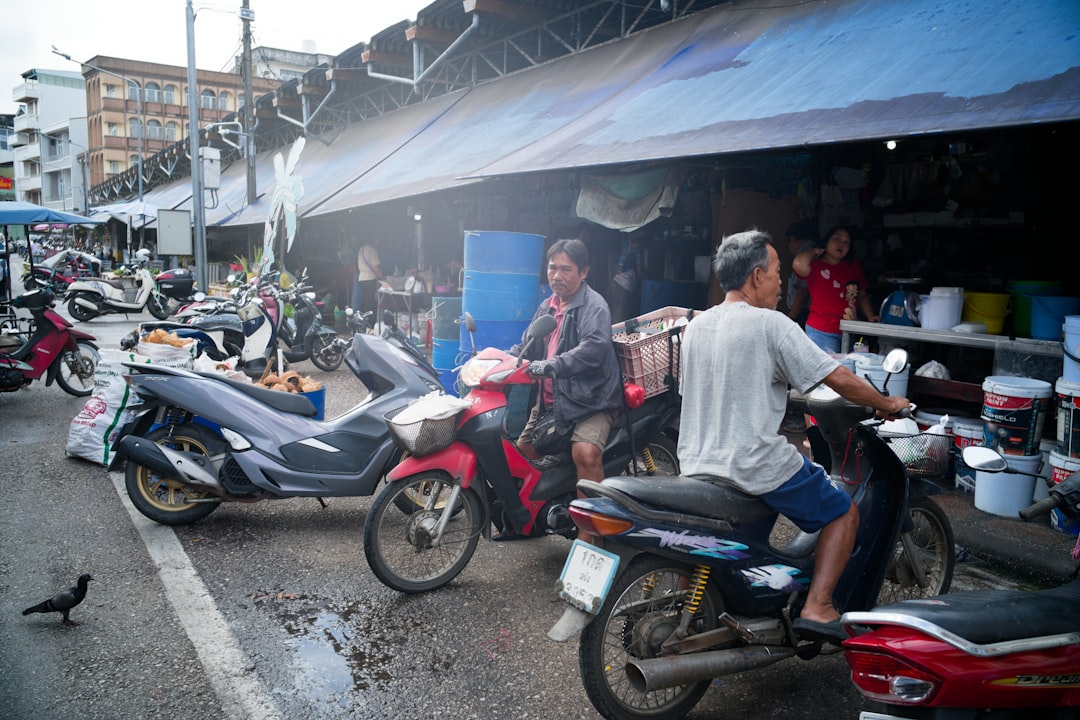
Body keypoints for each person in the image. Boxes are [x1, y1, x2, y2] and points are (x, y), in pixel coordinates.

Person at [677, 229, 909, 642]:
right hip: (753, 464)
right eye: (778, 271)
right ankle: (819, 606)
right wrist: (885, 402)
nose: (783, 281)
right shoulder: (772, 325)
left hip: (696, 463)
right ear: (755, 277)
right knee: (842, 513)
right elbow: (836, 377)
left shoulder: (696, 326)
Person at [512, 238, 624, 531]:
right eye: (552, 268)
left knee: (584, 454)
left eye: (566, 269)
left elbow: (595, 347)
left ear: (583, 272)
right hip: (552, 401)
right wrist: (500, 359)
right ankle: (526, 520)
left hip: (591, 400)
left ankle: (593, 532)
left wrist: (554, 365)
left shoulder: (594, 306)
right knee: (520, 455)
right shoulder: (547, 307)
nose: (557, 276)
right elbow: (527, 344)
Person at [791, 225, 879, 353]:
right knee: (828, 371)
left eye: (846, 242)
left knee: (846, 369)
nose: (841, 244)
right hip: (822, 331)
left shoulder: (852, 267)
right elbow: (798, 264)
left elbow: (861, 295)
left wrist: (870, 316)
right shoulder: (816, 266)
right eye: (837, 239)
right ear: (827, 241)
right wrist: (813, 251)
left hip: (849, 329)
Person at [784, 222, 816, 326]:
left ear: (792, 239)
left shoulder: (806, 256)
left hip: (804, 312)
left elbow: (803, 291)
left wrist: (791, 318)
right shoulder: (811, 252)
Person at [352, 238, 385, 315]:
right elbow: (376, 268)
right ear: (373, 240)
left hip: (361, 279)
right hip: (370, 280)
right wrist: (383, 279)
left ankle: (363, 321)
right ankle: (370, 323)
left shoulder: (361, 249)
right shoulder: (372, 251)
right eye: (377, 240)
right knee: (370, 304)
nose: (379, 242)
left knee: (364, 302)